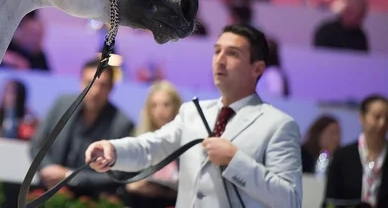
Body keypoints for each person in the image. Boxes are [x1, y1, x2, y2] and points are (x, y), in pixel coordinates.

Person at [85, 24, 302, 207]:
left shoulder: (278, 125)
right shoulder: (193, 113)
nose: (220, 60)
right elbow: (151, 147)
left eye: (233, 53)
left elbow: (291, 199)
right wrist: (113, 150)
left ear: (257, 69)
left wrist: (236, 162)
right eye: (217, 51)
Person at [29, 58, 134, 199]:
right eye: (89, 82)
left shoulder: (121, 123)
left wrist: (68, 176)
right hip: (48, 190)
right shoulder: (62, 105)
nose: (95, 91)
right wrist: (48, 168)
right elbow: (37, 144)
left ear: (111, 88)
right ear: (81, 82)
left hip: (92, 199)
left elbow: (118, 175)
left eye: (102, 85)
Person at [323, 95, 388, 208]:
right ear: (362, 117)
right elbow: (330, 201)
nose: (382, 123)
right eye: (377, 117)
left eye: (387, 118)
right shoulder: (343, 156)